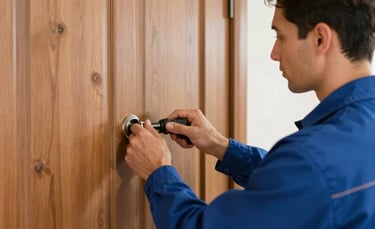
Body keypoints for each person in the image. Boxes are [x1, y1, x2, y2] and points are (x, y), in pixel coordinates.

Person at [125, 0, 375, 228]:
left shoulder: (311, 161)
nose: (274, 53)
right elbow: (305, 189)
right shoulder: (332, 152)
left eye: (280, 36)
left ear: (320, 38)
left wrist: (157, 171)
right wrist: (222, 147)